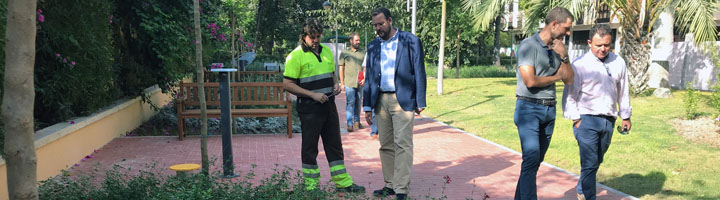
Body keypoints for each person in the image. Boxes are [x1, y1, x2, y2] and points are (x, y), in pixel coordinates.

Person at [282, 18, 365, 193]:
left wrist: (336, 84)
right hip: (309, 109)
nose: (316, 40)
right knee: (310, 148)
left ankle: (343, 183)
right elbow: (287, 84)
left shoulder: (326, 51)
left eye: (318, 36)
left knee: (335, 145)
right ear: (304, 36)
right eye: (312, 37)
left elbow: (332, 73)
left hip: (329, 107)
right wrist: (312, 94)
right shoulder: (295, 56)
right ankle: (311, 186)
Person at [562, 24, 632, 200]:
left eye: (606, 45)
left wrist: (626, 116)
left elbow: (623, 91)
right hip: (586, 119)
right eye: (598, 45)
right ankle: (587, 196)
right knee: (590, 162)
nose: (603, 49)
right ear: (589, 43)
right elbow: (570, 94)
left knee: (596, 161)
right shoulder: (579, 65)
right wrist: (576, 119)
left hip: (608, 120)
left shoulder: (618, 62)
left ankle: (581, 187)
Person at [363, 7, 426, 200]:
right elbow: (369, 77)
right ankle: (389, 184)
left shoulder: (410, 40)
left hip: (403, 99)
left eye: (381, 24)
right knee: (386, 144)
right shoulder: (373, 45)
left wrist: (420, 100)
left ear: (390, 20)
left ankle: (401, 189)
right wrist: (367, 106)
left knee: (403, 144)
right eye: (375, 25)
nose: (378, 28)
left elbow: (419, 70)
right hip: (380, 100)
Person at [513, 7, 575, 200]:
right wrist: (556, 77)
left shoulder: (559, 48)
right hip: (528, 109)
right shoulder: (528, 46)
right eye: (566, 28)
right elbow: (530, 81)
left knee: (533, 163)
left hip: (549, 110)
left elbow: (570, 80)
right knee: (531, 158)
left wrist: (564, 56)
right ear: (554, 24)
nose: (568, 32)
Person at [339, 32, 366, 132]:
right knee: (350, 102)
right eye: (356, 40)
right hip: (349, 83)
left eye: (359, 40)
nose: (358, 42)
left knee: (358, 102)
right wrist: (342, 83)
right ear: (351, 41)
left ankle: (357, 122)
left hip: (360, 83)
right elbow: (341, 68)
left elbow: (365, 67)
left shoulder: (363, 52)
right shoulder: (345, 53)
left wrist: (364, 79)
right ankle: (349, 124)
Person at [362, 53, 379, 138]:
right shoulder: (372, 50)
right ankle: (374, 131)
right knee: (373, 110)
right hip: (373, 85)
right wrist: (365, 79)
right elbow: (365, 68)